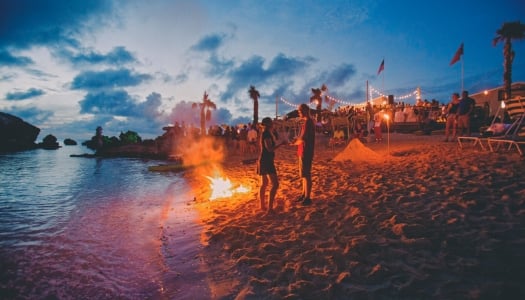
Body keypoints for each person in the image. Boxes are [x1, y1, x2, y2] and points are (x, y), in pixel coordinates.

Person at [257, 117, 284, 213]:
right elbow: (269, 149)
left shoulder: (265, 133)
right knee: (275, 184)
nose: (273, 124)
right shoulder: (266, 134)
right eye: (272, 123)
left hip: (263, 160)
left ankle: (262, 206)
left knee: (264, 184)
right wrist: (281, 144)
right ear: (269, 124)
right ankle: (270, 208)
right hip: (267, 161)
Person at [291, 104, 315, 206]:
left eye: (299, 111)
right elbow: (301, 137)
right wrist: (296, 141)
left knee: (306, 174)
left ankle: (307, 197)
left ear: (304, 111)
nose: (298, 113)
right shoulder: (305, 122)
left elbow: (304, 137)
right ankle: (303, 194)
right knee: (303, 175)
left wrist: (294, 143)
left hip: (306, 151)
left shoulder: (309, 122)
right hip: (302, 150)